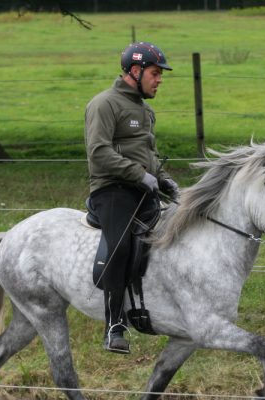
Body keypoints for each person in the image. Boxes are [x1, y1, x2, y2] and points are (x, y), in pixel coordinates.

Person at [85, 41, 179, 354]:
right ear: (135, 71)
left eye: (160, 74)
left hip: (144, 190)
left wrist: (164, 181)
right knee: (122, 244)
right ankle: (114, 324)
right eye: (155, 73)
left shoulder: (145, 109)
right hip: (111, 191)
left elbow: (147, 155)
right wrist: (140, 175)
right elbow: (99, 154)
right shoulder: (104, 104)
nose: (160, 79)